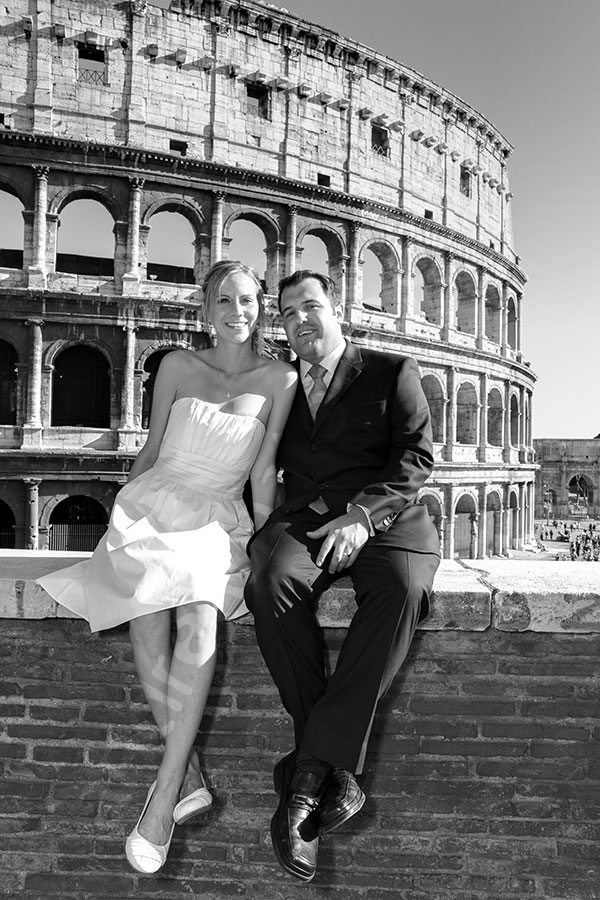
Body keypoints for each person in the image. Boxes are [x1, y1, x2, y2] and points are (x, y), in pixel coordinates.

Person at [37, 261, 297, 875]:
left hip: (218, 515)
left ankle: (165, 794)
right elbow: (152, 447)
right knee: (145, 618)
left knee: (200, 622)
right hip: (157, 500)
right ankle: (189, 775)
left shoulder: (280, 378)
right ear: (206, 308)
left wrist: (261, 536)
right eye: (227, 300)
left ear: (261, 307)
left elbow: (263, 470)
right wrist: (119, 518)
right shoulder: (177, 365)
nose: (240, 312)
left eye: (251, 301)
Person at [244, 270, 441, 882]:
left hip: (389, 518)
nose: (301, 320)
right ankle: (330, 767)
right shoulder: (279, 384)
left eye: (312, 307)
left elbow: (416, 455)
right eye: (288, 313)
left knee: (404, 591)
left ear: (337, 311)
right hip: (307, 519)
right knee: (267, 584)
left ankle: (303, 785)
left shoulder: (390, 370)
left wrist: (363, 516)